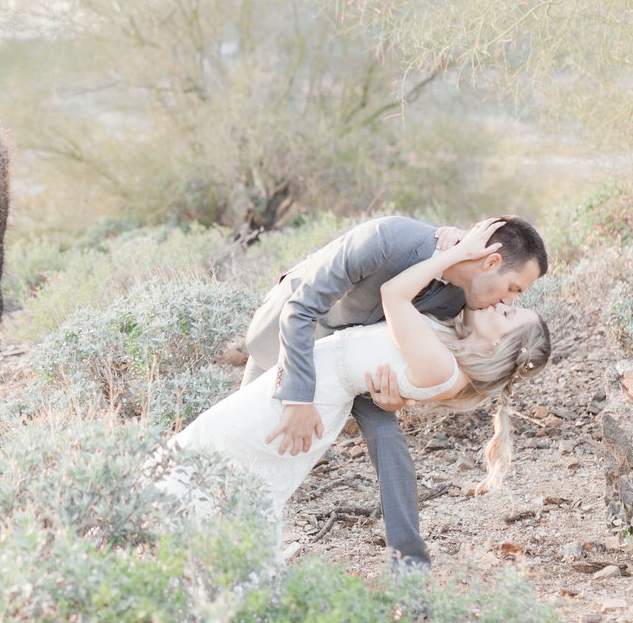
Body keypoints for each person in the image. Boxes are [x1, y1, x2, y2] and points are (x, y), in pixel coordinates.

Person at [236, 213, 550, 566]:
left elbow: (431, 356)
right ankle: (229, 544)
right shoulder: (386, 239)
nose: (507, 302)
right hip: (290, 343)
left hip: (357, 369)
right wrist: (298, 398)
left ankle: (409, 565)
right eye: (513, 289)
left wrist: (400, 396)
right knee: (240, 448)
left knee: (387, 439)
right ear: (491, 261)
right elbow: (301, 309)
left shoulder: (462, 300)